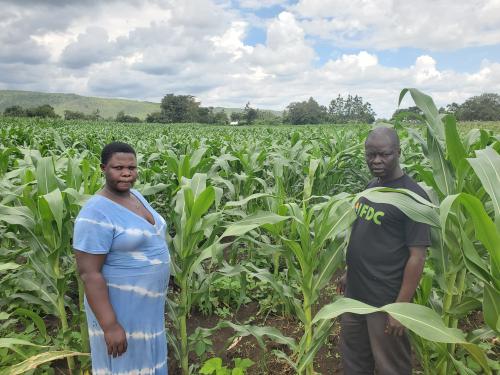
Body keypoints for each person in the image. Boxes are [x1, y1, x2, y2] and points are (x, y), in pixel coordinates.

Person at [337, 127, 431, 375]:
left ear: (398, 152)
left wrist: (400, 308)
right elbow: (362, 231)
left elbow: (417, 256)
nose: (376, 161)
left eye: (384, 154)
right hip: (355, 293)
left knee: (391, 366)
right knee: (354, 361)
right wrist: (349, 271)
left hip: (385, 299)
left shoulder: (413, 197)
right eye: (370, 154)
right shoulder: (372, 186)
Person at [73, 142, 170, 374]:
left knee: (147, 364)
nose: (127, 173)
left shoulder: (135, 195)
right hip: (120, 309)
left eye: (132, 167)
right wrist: (110, 325)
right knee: (126, 366)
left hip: (147, 310)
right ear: (103, 168)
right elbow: (89, 273)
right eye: (118, 168)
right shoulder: (94, 213)